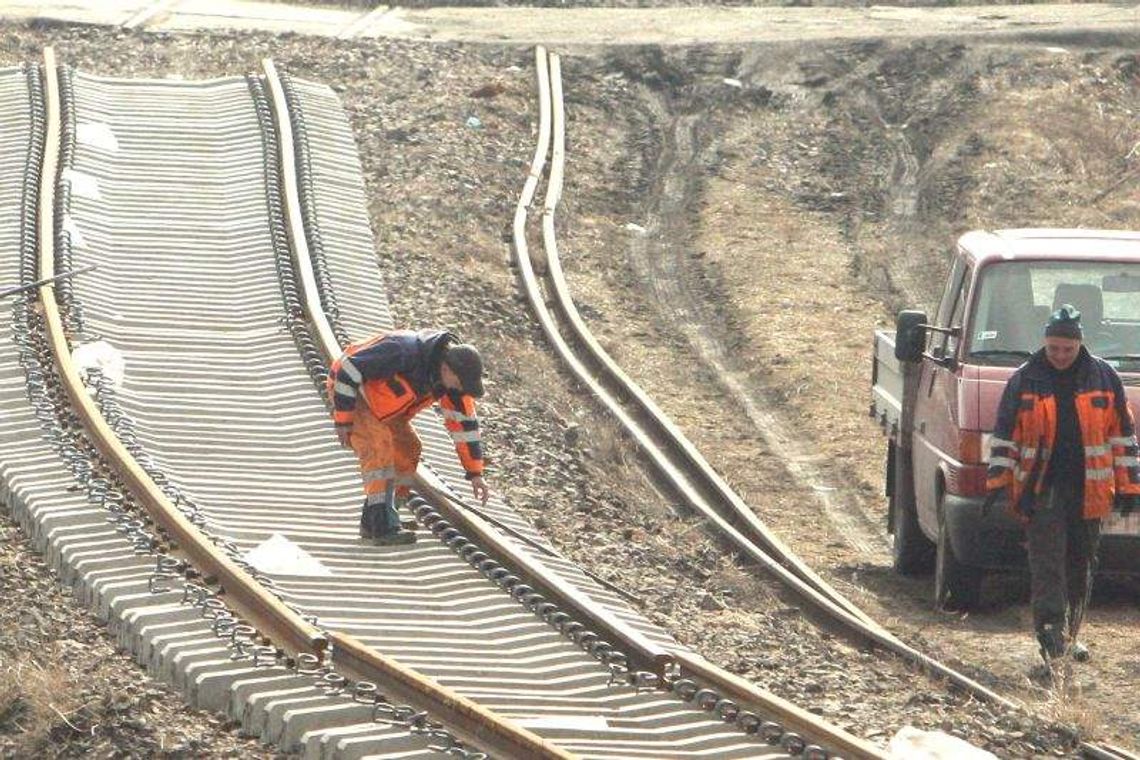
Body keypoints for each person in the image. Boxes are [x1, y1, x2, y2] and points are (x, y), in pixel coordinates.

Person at [985, 304, 1140, 666]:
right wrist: (997, 483)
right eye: (1053, 348)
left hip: (1090, 492)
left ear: (1079, 345)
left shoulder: (1104, 378)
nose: (1059, 356)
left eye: (1066, 349)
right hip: (1042, 490)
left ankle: (1071, 634)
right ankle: (1051, 633)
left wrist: (1131, 487)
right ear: (1045, 343)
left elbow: (1123, 438)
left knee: (1080, 564)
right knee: (1048, 564)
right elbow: (1005, 438)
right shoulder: (1025, 379)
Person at [327, 329, 490, 544]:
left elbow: (466, 428)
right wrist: (344, 419)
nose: (460, 390)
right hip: (351, 393)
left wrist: (475, 473)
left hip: (382, 408)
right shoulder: (402, 351)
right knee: (379, 445)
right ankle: (382, 526)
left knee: (408, 448)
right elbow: (348, 370)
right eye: (459, 384)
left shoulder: (452, 384)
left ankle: (384, 516)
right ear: (446, 369)